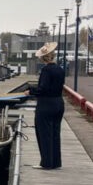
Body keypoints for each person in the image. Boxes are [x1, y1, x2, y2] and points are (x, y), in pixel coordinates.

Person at [28, 42, 65, 170]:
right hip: (59, 103)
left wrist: (31, 91)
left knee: (44, 134)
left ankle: (46, 163)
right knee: (55, 133)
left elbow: (43, 89)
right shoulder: (60, 69)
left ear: (43, 58)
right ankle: (56, 162)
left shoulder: (46, 70)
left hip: (46, 105)